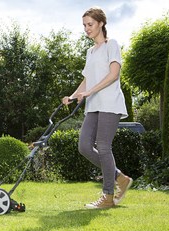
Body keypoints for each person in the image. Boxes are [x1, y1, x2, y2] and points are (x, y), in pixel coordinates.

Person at [62, 6, 133, 209]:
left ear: (101, 23)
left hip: (110, 102)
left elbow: (114, 74)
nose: (87, 28)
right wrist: (74, 95)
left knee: (103, 146)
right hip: (93, 106)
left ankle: (108, 196)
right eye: (84, 25)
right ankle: (120, 178)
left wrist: (90, 91)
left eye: (90, 24)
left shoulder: (112, 45)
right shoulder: (90, 52)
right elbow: (86, 80)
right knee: (84, 146)